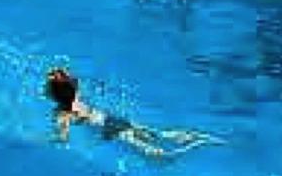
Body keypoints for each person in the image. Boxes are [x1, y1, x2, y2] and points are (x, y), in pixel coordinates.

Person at [45, 68, 223, 157]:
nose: (44, 90)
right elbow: (74, 85)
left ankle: (193, 147)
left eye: (47, 89)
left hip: (109, 130)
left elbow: (63, 138)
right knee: (157, 135)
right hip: (111, 119)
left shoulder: (62, 113)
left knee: (159, 155)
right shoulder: (76, 98)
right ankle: (202, 138)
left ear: (54, 95)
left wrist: (45, 140)